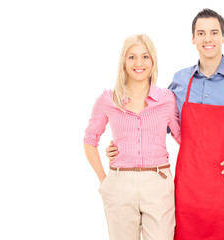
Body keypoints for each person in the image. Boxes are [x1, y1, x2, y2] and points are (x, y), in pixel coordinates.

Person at [106, 9, 224, 240]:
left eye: (214, 32)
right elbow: (158, 125)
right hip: (187, 192)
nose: (208, 39)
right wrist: (122, 145)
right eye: (201, 33)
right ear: (193, 38)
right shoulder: (181, 80)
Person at [83, 34, 181, 240]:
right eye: (132, 57)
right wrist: (104, 181)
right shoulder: (108, 99)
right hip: (120, 182)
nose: (139, 63)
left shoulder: (167, 99)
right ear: (123, 62)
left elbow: (183, 138)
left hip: (158, 181)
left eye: (145, 57)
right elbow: (90, 140)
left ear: (153, 61)